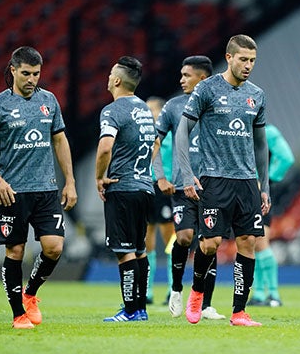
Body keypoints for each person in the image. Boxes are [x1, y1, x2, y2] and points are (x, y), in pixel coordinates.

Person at [0, 46, 78, 329]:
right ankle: (18, 313)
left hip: (46, 189)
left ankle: (30, 293)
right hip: (13, 192)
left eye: (36, 74)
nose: (32, 79)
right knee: (15, 252)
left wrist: (69, 180)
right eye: (26, 73)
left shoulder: (49, 100)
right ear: (13, 71)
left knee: (54, 247)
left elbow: (60, 140)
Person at [175, 35, 270, 327]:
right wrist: (186, 172)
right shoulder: (207, 89)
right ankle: (197, 292)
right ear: (229, 57)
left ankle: (239, 312)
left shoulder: (257, 94)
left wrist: (263, 186)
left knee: (248, 242)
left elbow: (260, 145)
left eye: (252, 60)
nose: (248, 65)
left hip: (246, 181)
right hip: (214, 179)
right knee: (210, 244)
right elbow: (183, 131)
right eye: (243, 59)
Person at [154, 55, 225, 320]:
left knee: (210, 242)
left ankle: (205, 304)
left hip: (212, 186)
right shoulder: (173, 106)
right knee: (184, 238)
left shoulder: (218, 106)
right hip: (182, 187)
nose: (181, 79)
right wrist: (160, 175)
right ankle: (175, 289)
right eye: (181, 74)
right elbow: (155, 141)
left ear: (202, 78)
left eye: (187, 75)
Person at [95, 56, 156, 322]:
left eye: (110, 73)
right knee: (140, 249)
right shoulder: (144, 109)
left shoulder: (112, 110)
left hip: (122, 186)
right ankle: (140, 309)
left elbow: (106, 147)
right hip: (145, 186)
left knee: (124, 251)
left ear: (117, 80)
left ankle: (130, 310)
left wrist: (99, 177)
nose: (108, 78)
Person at [248, 124, 294, 307]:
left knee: (260, 240)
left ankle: (273, 294)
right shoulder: (241, 130)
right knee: (251, 242)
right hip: (244, 191)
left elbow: (286, 158)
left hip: (260, 193)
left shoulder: (268, 131)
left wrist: (266, 181)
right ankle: (259, 293)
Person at [144, 97, 175, 305]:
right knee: (147, 242)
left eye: (153, 109)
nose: (150, 113)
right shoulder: (143, 134)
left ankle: (174, 288)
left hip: (166, 189)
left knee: (170, 240)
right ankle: (146, 290)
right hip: (147, 188)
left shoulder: (171, 135)